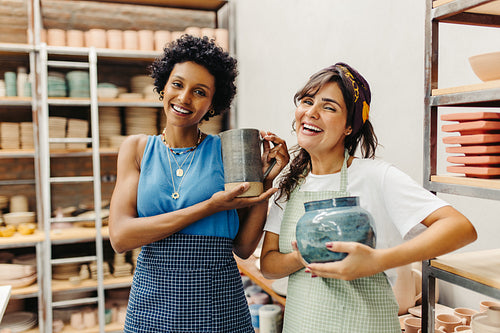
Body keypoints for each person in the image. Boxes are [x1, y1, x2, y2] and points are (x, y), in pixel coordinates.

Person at [259, 62, 477, 332]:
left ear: (349, 127)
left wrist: (378, 261)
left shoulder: (376, 177)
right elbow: (268, 265)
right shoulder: (291, 185)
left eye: (329, 107)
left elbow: (460, 227)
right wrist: (301, 257)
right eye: (307, 101)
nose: (312, 113)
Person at [108, 35, 289, 332]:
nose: (184, 98)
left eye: (200, 92)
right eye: (177, 84)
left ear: (213, 104)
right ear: (163, 85)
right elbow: (121, 237)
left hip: (220, 310)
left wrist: (265, 181)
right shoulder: (137, 149)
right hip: (152, 309)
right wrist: (208, 207)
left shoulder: (225, 151)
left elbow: (243, 248)